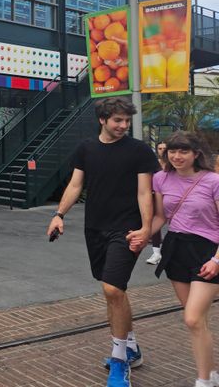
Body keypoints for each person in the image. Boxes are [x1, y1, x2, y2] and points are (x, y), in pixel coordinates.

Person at [46, 97, 159, 387]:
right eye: (117, 120)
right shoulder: (86, 149)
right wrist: (59, 214)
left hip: (127, 230)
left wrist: (146, 229)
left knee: (111, 288)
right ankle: (131, 346)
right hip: (94, 228)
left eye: (126, 121)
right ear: (102, 120)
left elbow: (144, 193)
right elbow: (75, 184)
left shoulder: (139, 151)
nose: (123, 126)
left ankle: (119, 360)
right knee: (115, 291)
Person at [150, 131, 219, 387]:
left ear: (196, 154)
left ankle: (203, 381)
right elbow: (160, 218)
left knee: (192, 318)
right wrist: (142, 234)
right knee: (197, 321)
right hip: (176, 249)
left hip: (207, 252)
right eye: (172, 151)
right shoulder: (160, 178)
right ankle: (211, 374)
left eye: (183, 151)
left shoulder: (213, 181)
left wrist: (217, 260)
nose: (177, 157)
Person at [146, 142, 168, 265]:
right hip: (156, 197)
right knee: (155, 222)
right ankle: (156, 253)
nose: (162, 151)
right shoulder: (153, 164)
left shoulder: (175, 165)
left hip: (172, 198)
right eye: (160, 148)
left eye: (164, 148)